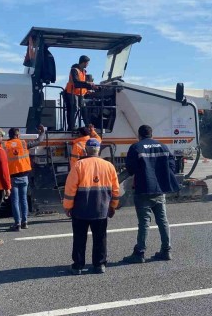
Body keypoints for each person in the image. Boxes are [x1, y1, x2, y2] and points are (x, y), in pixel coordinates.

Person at [123, 125, 180, 263]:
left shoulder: (136, 147)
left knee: (144, 223)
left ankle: (139, 253)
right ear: (151, 134)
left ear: (139, 135)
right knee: (163, 221)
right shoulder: (163, 147)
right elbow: (172, 166)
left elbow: (130, 168)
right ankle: (166, 250)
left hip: (143, 189)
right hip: (160, 189)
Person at [63, 138, 120, 274]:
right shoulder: (109, 166)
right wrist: (113, 206)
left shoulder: (78, 165)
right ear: (98, 150)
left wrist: (68, 206)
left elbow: (70, 189)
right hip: (101, 209)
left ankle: (78, 266)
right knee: (100, 237)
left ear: (86, 150)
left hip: (80, 210)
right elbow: (116, 190)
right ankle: (99, 265)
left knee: (79, 237)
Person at [4, 125, 45, 232]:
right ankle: (25, 222)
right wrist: (42, 132)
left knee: (15, 201)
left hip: (12, 177)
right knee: (24, 199)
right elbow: (38, 141)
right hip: (24, 176)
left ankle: (17, 223)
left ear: (9, 135)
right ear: (17, 135)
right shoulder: (23, 143)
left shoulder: (5, 145)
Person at [64, 55, 96, 130]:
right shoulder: (74, 70)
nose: (88, 64)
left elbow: (83, 84)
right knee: (73, 109)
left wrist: (90, 89)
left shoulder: (83, 71)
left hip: (80, 94)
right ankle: (71, 128)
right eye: (87, 63)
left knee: (84, 108)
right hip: (71, 93)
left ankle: (88, 126)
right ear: (84, 62)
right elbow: (76, 83)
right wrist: (88, 83)